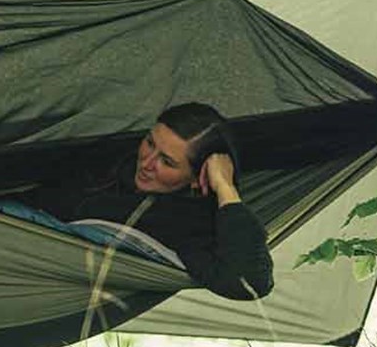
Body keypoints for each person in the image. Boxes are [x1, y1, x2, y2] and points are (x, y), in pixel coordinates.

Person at [19, 102, 275, 301]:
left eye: (167, 162)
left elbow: (250, 283)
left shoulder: (190, 225)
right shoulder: (116, 158)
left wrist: (225, 187)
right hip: (6, 223)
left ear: (198, 178)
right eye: (150, 142)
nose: (147, 163)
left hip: (32, 265)